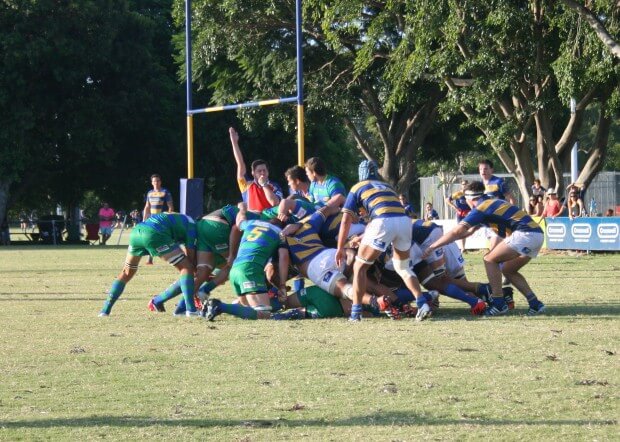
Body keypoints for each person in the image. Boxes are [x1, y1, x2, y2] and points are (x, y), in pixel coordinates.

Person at [423, 181, 546, 317]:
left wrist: (432, 246)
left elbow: (457, 232)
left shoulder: (481, 208)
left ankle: (499, 303)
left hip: (525, 234)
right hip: (537, 234)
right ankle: (535, 304)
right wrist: (447, 240)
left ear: (469, 199)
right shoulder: (490, 202)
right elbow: (467, 233)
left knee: (489, 259)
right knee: (508, 270)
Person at [335, 159, 434, 322]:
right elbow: (384, 212)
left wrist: (340, 248)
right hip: (404, 221)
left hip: (382, 222)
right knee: (402, 267)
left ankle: (356, 312)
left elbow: (346, 220)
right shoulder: (388, 187)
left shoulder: (357, 187)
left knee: (359, 267)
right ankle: (422, 302)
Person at [98, 213, 199, 317]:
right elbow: (190, 259)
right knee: (187, 268)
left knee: (127, 273)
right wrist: (196, 278)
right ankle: (191, 310)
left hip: (136, 232)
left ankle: (104, 311)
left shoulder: (182, 218)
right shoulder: (193, 227)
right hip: (154, 234)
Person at [204, 203, 289, 321]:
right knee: (264, 314)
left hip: (234, 270)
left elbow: (238, 223)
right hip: (250, 270)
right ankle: (219, 306)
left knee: (247, 306)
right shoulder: (280, 233)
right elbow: (284, 257)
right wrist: (282, 285)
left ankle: (216, 308)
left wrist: (242, 209)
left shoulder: (252, 223)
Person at [229, 127, 283, 213]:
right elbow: (240, 163)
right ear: (253, 173)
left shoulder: (275, 186)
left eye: (264, 170)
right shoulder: (246, 184)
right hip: (252, 218)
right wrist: (234, 142)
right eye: (259, 171)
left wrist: (264, 185)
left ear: (268, 172)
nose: (262, 173)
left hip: (269, 219)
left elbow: (275, 203)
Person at [143, 174, 174, 264]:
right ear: (152, 183)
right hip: (152, 219)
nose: (156, 182)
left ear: (160, 182)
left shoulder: (165, 192)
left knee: (165, 238)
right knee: (151, 238)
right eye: (154, 181)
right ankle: (150, 259)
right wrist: (144, 220)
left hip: (162, 219)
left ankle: (173, 256)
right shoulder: (149, 193)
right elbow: (147, 207)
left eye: (157, 181)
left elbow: (170, 206)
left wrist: (168, 217)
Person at [445, 180, 470, 251]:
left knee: (469, 230)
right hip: (461, 214)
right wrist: (455, 208)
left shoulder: (470, 193)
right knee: (462, 230)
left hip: (469, 213)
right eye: (463, 184)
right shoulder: (458, 193)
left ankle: (463, 247)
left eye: (465, 184)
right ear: (461, 185)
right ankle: (463, 248)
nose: (464, 185)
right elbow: (447, 200)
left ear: (468, 185)